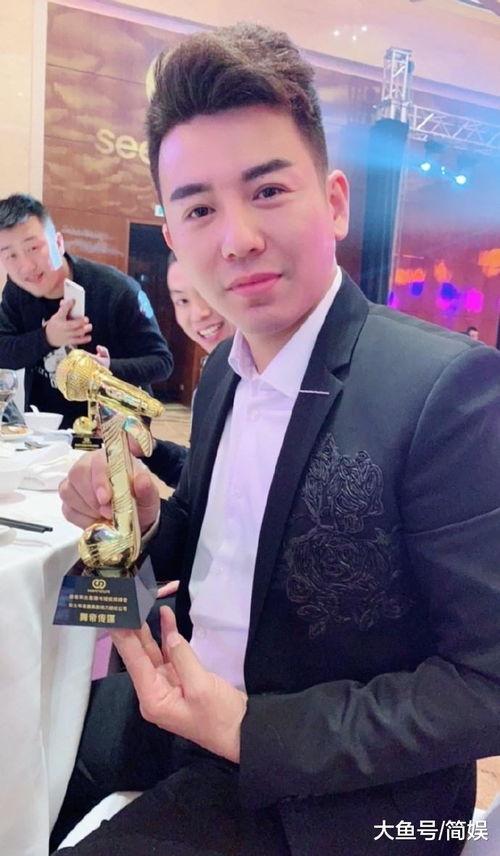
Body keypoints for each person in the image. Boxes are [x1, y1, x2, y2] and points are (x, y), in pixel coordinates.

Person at [54, 23, 500, 855]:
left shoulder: (445, 391)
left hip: (337, 798)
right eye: (199, 208)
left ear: (333, 201)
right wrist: (144, 517)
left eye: (267, 191)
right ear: (173, 235)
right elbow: (222, 541)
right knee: (26, 761)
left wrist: (249, 730)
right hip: (182, 711)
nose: (238, 239)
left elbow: (487, 682)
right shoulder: (225, 374)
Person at [0, 195, 173, 427]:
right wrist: (47, 337)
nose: (26, 266)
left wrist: (107, 368)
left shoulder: (117, 290)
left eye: (33, 248)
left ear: (58, 243)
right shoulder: (17, 291)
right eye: (10, 255)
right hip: (48, 430)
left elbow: (162, 363)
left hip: (116, 430)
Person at [145, 253, 234, 488]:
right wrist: (149, 449)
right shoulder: (214, 375)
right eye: (182, 300)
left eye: (206, 291)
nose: (199, 313)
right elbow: (203, 478)